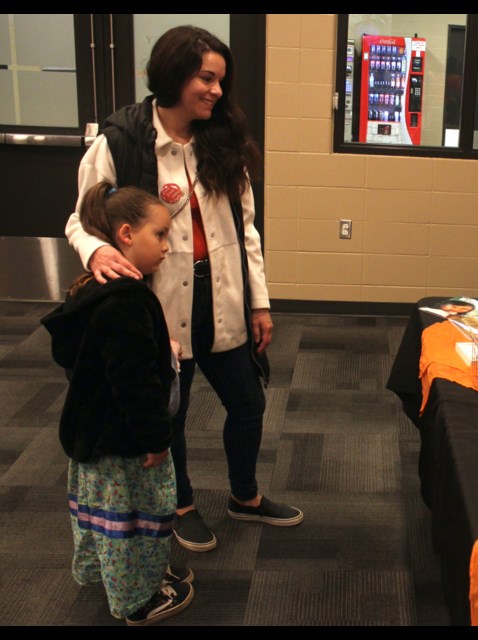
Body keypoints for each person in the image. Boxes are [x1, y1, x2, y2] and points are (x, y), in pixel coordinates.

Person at [65, 25, 302, 554]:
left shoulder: (223, 139)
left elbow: (246, 230)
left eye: (221, 80)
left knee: (247, 403)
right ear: (173, 75)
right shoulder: (122, 140)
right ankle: (182, 504)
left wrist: (259, 302)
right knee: (169, 410)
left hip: (222, 298)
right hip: (156, 303)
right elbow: (80, 219)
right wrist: (97, 250)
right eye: (206, 78)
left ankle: (245, 495)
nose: (217, 91)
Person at [42, 182, 194, 625]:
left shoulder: (94, 287)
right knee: (134, 522)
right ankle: (137, 603)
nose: (168, 246)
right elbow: (134, 384)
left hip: (93, 434)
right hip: (123, 442)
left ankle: (134, 580)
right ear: (126, 234)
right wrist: (156, 439)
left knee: (108, 519)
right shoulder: (127, 301)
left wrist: (156, 343)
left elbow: (95, 356)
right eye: (160, 235)